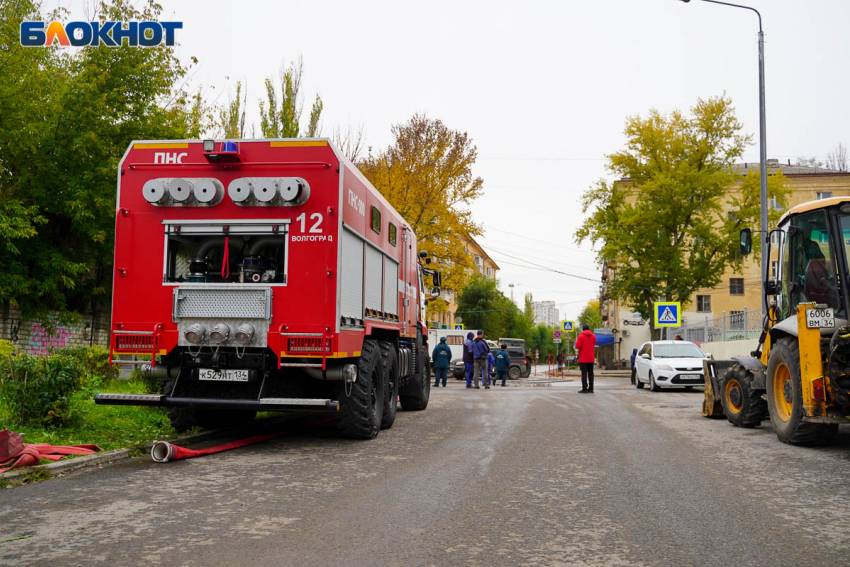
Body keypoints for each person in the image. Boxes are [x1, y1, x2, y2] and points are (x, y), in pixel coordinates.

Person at [575, 324, 597, 393]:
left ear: (583, 329)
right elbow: (594, 343)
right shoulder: (593, 336)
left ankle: (584, 388)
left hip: (583, 358)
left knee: (584, 373)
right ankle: (591, 388)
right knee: (591, 373)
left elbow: (577, 346)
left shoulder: (580, 336)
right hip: (591, 358)